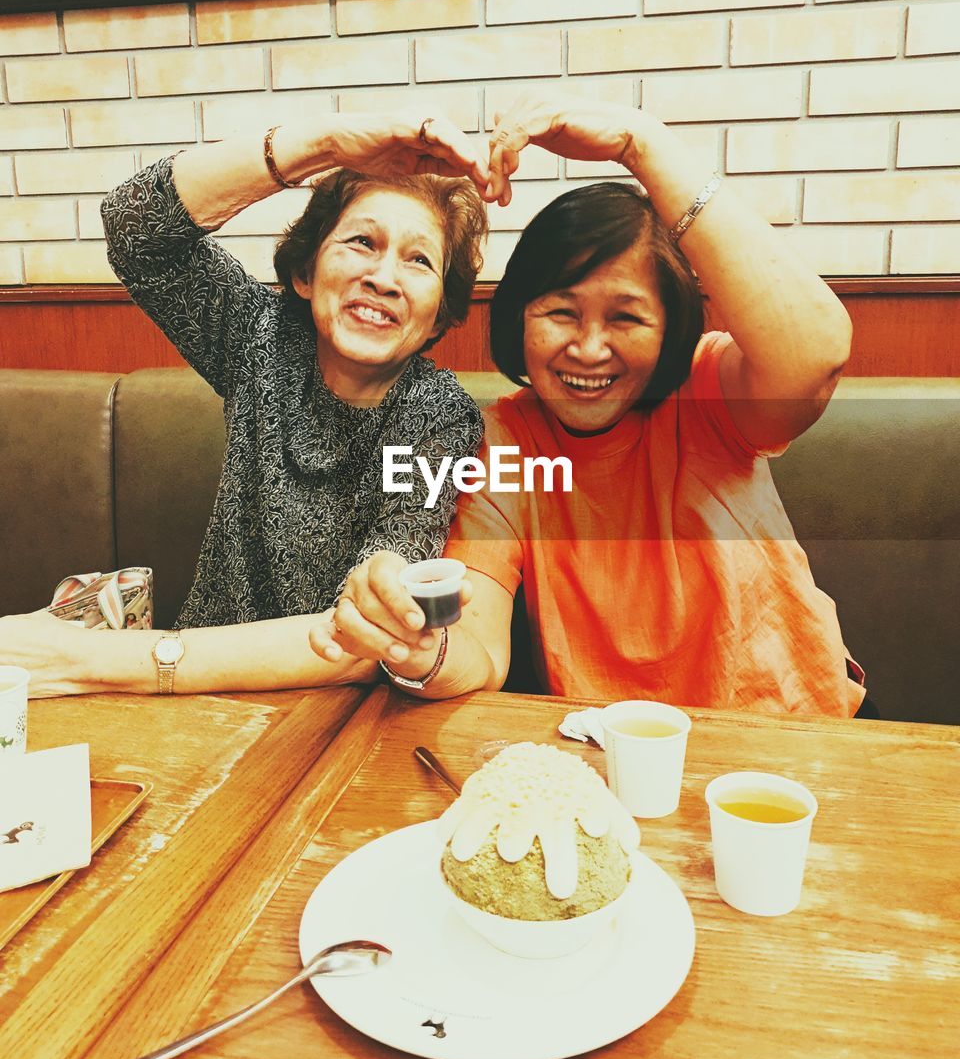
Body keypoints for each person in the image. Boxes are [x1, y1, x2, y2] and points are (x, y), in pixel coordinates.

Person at [314, 96, 867, 718]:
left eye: (626, 317)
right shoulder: (505, 442)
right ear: (520, 319)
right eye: (560, 312)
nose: (589, 348)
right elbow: (480, 648)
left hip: (798, 735)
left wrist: (642, 144)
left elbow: (816, 355)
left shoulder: (710, 391)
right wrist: (422, 649)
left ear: (669, 328)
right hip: (609, 757)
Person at [2, 112, 491, 697]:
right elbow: (136, 225)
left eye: (419, 260)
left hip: (333, 714)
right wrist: (321, 141)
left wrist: (92, 660)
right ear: (307, 272)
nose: (383, 276)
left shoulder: (439, 414)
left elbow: (370, 630)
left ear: (439, 314)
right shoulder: (262, 338)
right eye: (362, 241)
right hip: (191, 697)